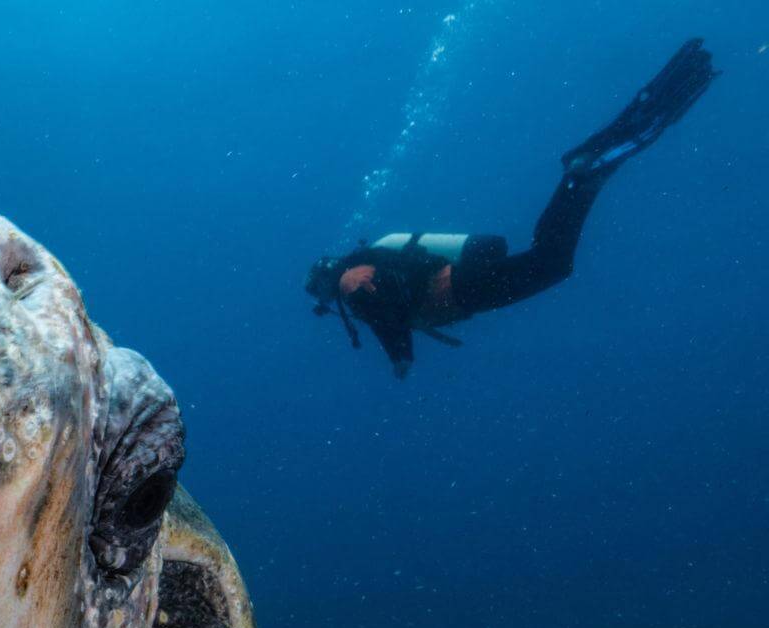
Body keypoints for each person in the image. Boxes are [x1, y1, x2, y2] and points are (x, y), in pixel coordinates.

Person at [306, 39, 718, 377]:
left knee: (552, 262)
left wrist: (399, 357)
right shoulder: (361, 274)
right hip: (463, 286)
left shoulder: (351, 284)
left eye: (324, 294)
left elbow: (382, 309)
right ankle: (583, 178)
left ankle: (578, 177)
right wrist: (401, 350)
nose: (329, 301)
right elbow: (391, 311)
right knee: (551, 261)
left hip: (459, 288)